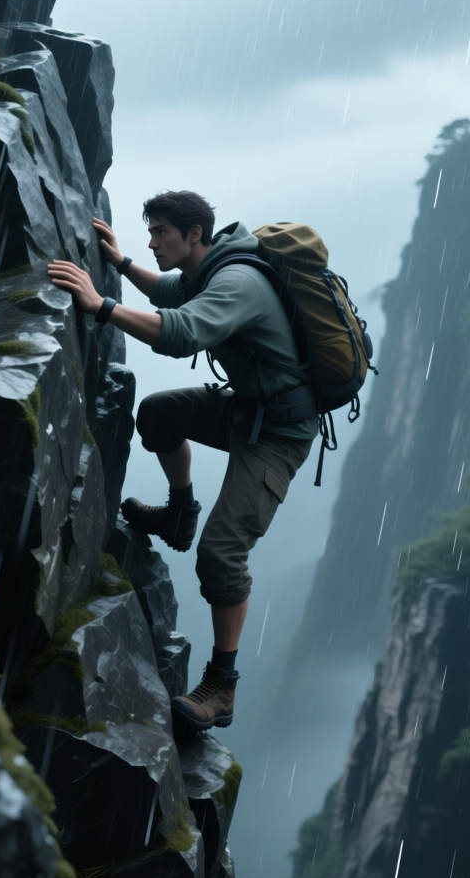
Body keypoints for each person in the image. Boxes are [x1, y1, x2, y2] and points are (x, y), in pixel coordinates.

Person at [47, 190, 318, 731]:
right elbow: (169, 292)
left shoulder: (236, 282)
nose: (153, 241)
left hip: (280, 434)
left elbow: (179, 334)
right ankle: (179, 511)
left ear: (195, 234)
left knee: (221, 555)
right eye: (151, 232)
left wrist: (99, 303)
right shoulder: (210, 267)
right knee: (158, 413)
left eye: (161, 232)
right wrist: (122, 262)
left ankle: (223, 686)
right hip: (249, 408)